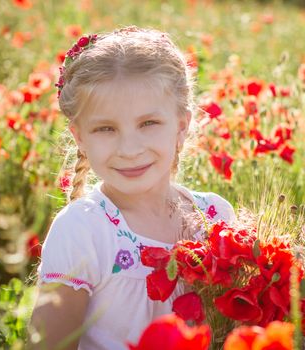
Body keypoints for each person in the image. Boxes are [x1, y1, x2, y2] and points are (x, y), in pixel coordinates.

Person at [27, 26, 236, 350]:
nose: (129, 148)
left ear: (181, 125)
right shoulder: (83, 230)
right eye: (106, 128)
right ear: (80, 136)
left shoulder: (215, 216)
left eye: (148, 123)